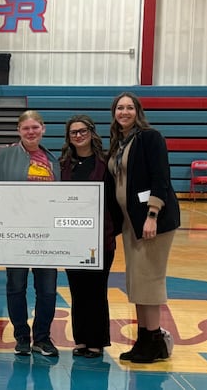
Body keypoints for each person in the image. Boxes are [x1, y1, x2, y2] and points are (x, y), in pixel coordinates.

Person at [0, 110, 60, 357]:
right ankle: (21, 338)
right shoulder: (1, 154)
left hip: (47, 234)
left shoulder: (54, 160)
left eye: (35, 127)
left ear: (43, 129)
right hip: (14, 233)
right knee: (16, 287)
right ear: (19, 131)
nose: (31, 132)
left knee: (48, 290)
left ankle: (42, 338)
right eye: (26, 128)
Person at [105, 92, 179, 363]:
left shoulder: (150, 137)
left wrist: (152, 215)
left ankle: (154, 339)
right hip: (131, 223)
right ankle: (145, 340)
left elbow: (161, 178)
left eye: (129, 107)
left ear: (138, 111)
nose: (124, 112)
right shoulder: (120, 143)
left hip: (152, 222)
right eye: (119, 108)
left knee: (150, 280)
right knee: (137, 282)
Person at [58, 115, 116, 359]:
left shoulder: (106, 163)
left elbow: (115, 201)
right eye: (73, 133)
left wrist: (110, 229)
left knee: (96, 290)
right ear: (68, 137)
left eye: (82, 131)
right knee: (78, 291)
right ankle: (81, 339)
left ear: (92, 133)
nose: (78, 136)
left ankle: (97, 341)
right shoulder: (64, 164)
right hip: (73, 239)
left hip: (100, 238)